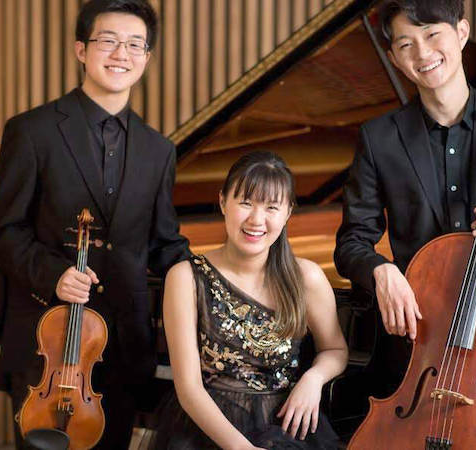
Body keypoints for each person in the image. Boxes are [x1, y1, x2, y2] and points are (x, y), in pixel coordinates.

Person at [334, 1, 476, 449]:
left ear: (461, 32)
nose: (422, 52)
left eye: (432, 34)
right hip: (422, 352)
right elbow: (352, 242)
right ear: (396, 58)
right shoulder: (380, 138)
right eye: (406, 43)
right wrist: (380, 270)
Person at [0, 0, 190, 448]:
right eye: (108, 41)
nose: (122, 54)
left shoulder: (159, 151)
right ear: (82, 50)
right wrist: (54, 274)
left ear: (147, 58)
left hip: (122, 347)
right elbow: (4, 233)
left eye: (135, 44)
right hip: (48, 345)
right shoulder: (32, 131)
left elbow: (164, 244)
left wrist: (226, 276)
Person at [147, 151, 348, 450]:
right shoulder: (186, 277)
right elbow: (188, 388)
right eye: (245, 203)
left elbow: (335, 349)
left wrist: (313, 379)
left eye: (271, 207)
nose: (256, 219)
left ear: (289, 213)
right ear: (222, 202)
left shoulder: (307, 277)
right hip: (209, 429)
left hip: (285, 424)